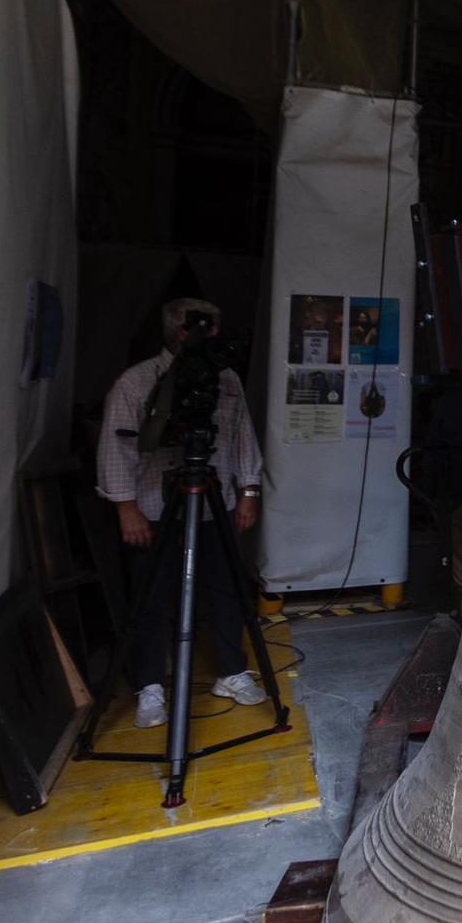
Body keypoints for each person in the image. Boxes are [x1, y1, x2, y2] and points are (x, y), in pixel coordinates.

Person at [97, 297, 268, 729]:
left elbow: (241, 434)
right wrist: (125, 506)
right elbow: (116, 446)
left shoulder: (225, 380)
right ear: (179, 330)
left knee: (227, 589)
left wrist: (248, 490)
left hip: (216, 502)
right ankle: (150, 686)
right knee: (151, 598)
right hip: (156, 504)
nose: (217, 337)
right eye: (207, 327)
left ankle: (231, 672)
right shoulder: (137, 382)